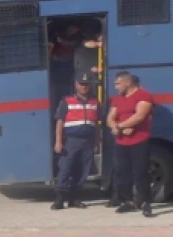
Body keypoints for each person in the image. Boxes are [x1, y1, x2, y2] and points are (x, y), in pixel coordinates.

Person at [108, 72, 156, 217]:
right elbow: (110, 117)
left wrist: (120, 126)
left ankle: (145, 203)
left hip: (139, 140)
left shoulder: (144, 95)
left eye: (117, 83)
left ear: (127, 82)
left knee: (140, 172)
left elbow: (139, 116)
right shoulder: (117, 99)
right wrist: (116, 127)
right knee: (122, 173)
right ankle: (128, 202)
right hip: (121, 142)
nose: (115, 87)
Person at [52, 73, 100, 211]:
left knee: (82, 171)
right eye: (81, 84)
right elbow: (59, 122)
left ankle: (75, 199)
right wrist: (58, 141)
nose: (83, 87)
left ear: (89, 85)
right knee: (65, 169)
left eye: (86, 84)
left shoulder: (95, 102)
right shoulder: (67, 101)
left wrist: (97, 143)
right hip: (71, 141)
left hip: (88, 142)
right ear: (76, 85)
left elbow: (96, 124)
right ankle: (59, 200)